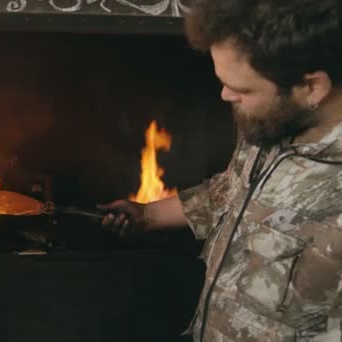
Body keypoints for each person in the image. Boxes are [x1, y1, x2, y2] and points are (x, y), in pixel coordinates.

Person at [98, 0, 342, 340]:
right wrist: (148, 215)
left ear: (311, 87)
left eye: (242, 89)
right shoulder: (272, 120)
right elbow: (234, 189)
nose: (226, 95)